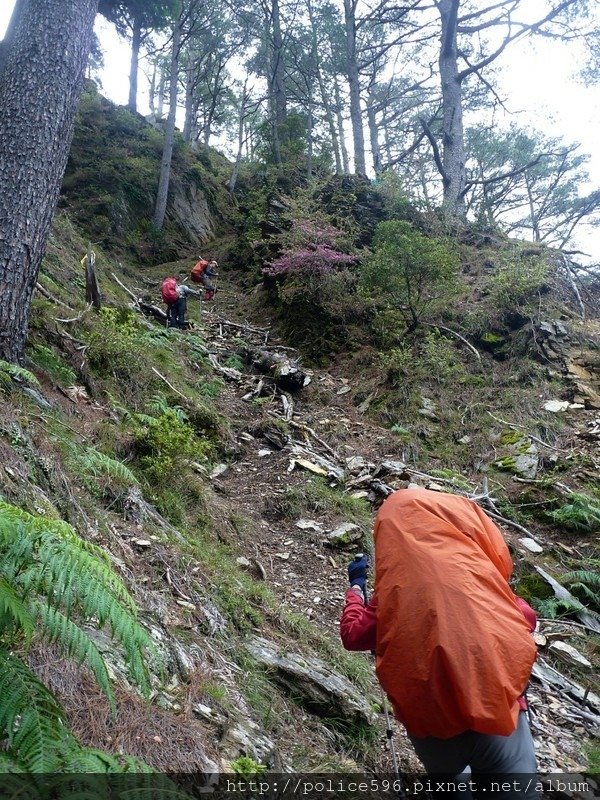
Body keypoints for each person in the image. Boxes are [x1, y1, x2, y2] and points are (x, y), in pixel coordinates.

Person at [340, 487, 539, 798]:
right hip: (498, 720)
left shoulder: (392, 597)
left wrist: (355, 588)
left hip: (434, 729)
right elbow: (525, 619)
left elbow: (353, 635)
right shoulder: (479, 577)